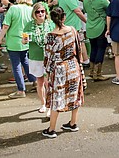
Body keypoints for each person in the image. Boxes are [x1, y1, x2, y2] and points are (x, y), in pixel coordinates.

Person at [42, 7, 85, 139]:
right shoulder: (72, 30)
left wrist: (47, 73)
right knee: (74, 94)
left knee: (57, 97)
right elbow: (79, 47)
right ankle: (73, 123)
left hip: (59, 68)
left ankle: (51, 129)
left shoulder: (50, 36)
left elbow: (48, 57)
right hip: (73, 65)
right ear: (63, 17)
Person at [0, 0, 35, 98]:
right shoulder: (31, 9)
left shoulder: (13, 9)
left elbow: (6, 26)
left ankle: (21, 90)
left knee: (16, 65)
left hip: (14, 41)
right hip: (27, 39)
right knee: (26, 61)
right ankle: (35, 81)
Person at [83, 0, 110, 81]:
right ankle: (97, 73)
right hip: (100, 27)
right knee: (101, 49)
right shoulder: (102, 0)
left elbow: (85, 10)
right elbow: (110, 7)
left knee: (93, 49)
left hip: (90, 27)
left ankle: (91, 71)